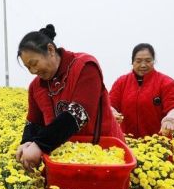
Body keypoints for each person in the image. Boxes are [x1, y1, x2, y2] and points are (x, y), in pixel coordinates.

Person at [15, 24, 124, 171]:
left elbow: (79, 113)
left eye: (34, 63)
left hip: (104, 154)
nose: (33, 71)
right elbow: (34, 122)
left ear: (50, 50)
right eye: (28, 68)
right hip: (63, 158)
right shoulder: (36, 86)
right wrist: (26, 142)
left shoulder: (85, 66)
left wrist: (40, 145)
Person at [109, 43, 174, 138]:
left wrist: (172, 119)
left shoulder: (166, 82)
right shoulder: (121, 82)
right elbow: (109, 104)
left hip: (159, 144)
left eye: (148, 61)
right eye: (138, 61)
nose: (143, 65)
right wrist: (112, 114)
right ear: (132, 62)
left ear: (153, 61)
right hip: (128, 141)